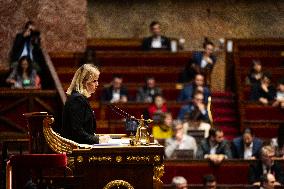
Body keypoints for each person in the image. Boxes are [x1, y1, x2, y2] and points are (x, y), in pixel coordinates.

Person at [61, 64, 109, 144]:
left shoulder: (80, 98)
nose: (97, 84)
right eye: (94, 81)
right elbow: (76, 132)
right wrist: (97, 140)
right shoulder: (77, 100)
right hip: (76, 150)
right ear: (84, 82)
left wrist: (96, 137)